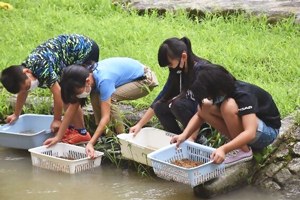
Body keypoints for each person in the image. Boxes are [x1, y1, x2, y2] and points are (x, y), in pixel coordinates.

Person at [43, 57, 159, 158]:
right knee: (95, 95)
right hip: (129, 77)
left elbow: (106, 118)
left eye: (78, 93)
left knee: (110, 97)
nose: (79, 96)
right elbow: (71, 110)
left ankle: (122, 139)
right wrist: (58, 137)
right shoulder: (87, 78)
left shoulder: (104, 80)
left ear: (87, 81)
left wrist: (90, 143)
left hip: (144, 79)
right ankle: (108, 137)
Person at [171, 63, 281, 167]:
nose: (209, 98)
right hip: (253, 129)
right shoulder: (224, 92)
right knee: (203, 107)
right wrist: (184, 135)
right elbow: (200, 115)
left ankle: (243, 150)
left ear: (217, 89)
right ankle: (236, 144)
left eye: (209, 95)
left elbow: (250, 133)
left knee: (228, 106)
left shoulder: (244, 95)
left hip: (267, 132)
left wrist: (224, 149)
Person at [0, 34, 99, 144]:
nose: (29, 89)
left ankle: (81, 133)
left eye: (28, 87)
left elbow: (58, 94)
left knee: (71, 95)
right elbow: (23, 93)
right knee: (66, 92)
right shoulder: (25, 73)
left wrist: (56, 120)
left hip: (85, 49)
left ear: (27, 72)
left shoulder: (41, 67)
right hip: (67, 56)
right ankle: (71, 129)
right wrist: (16, 114)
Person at [130, 37, 211, 144]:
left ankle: (199, 139)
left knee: (177, 104)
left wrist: (192, 137)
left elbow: (202, 107)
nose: (171, 68)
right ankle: (177, 139)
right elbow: (163, 95)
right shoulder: (177, 70)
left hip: (205, 116)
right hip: (190, 112)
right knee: (159, 106)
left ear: (184, 56)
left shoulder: (202, 71)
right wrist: (139, 125)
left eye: (170, 64)